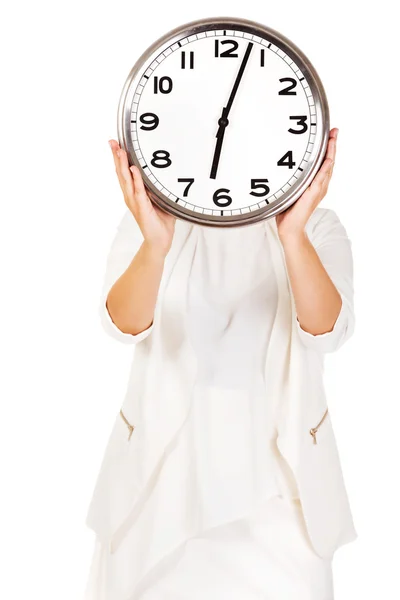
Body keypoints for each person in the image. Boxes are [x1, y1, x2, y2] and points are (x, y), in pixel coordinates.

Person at [84, 127, 357, 600]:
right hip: (161, 486)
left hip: (281, 498)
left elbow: (327, 329)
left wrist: (292, 235)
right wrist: (155, 244)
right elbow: (123, 325)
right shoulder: (153, 221)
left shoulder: (318, 226)